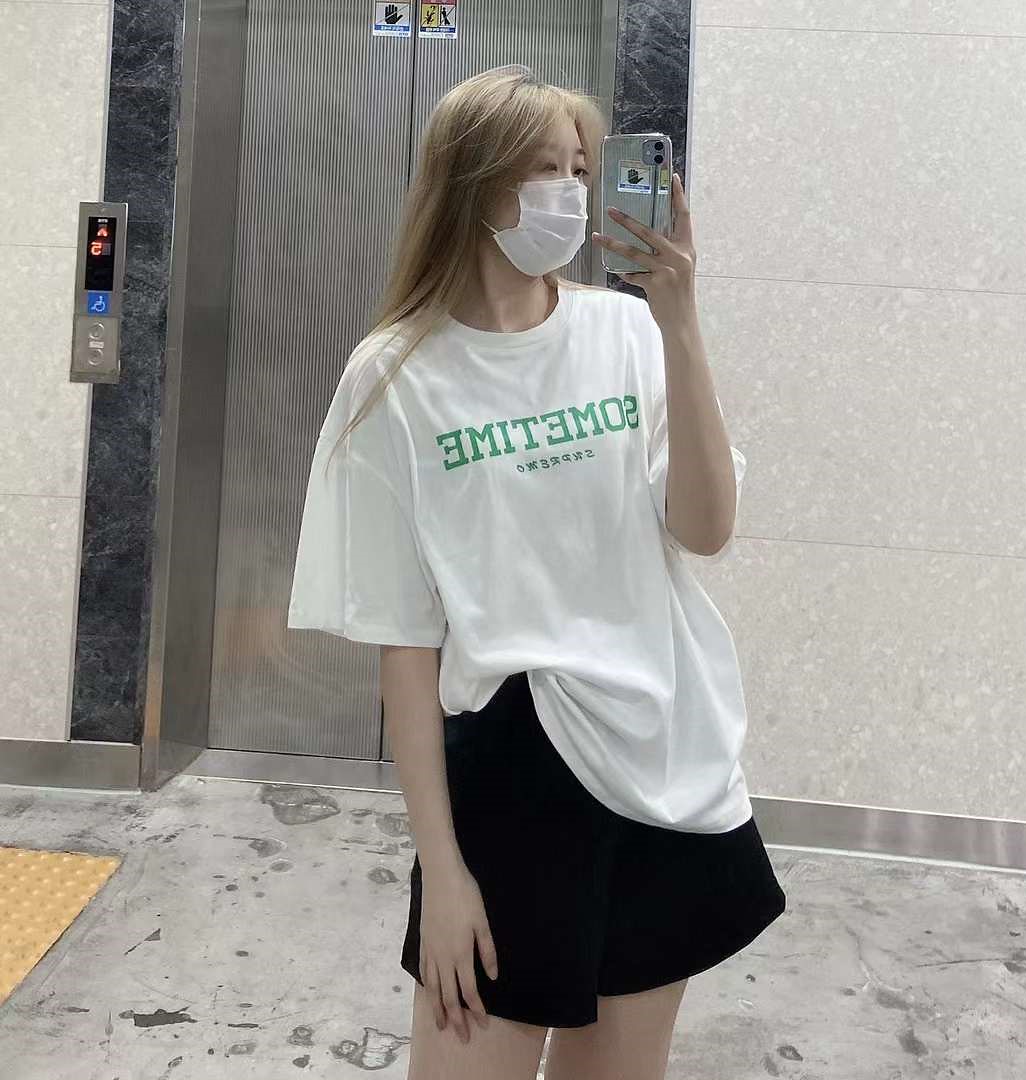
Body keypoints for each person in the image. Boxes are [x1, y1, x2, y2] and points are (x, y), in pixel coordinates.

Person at [287, 66, 786, 1080]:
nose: (568, 192)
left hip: (662, 751)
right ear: (471, 184)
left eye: (579, 169)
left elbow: (707, 529)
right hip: (511, 774)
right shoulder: (393, 375)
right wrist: (443, 870)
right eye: (540, 169)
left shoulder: (626, 332)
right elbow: (405, 647)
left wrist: (680, 321)